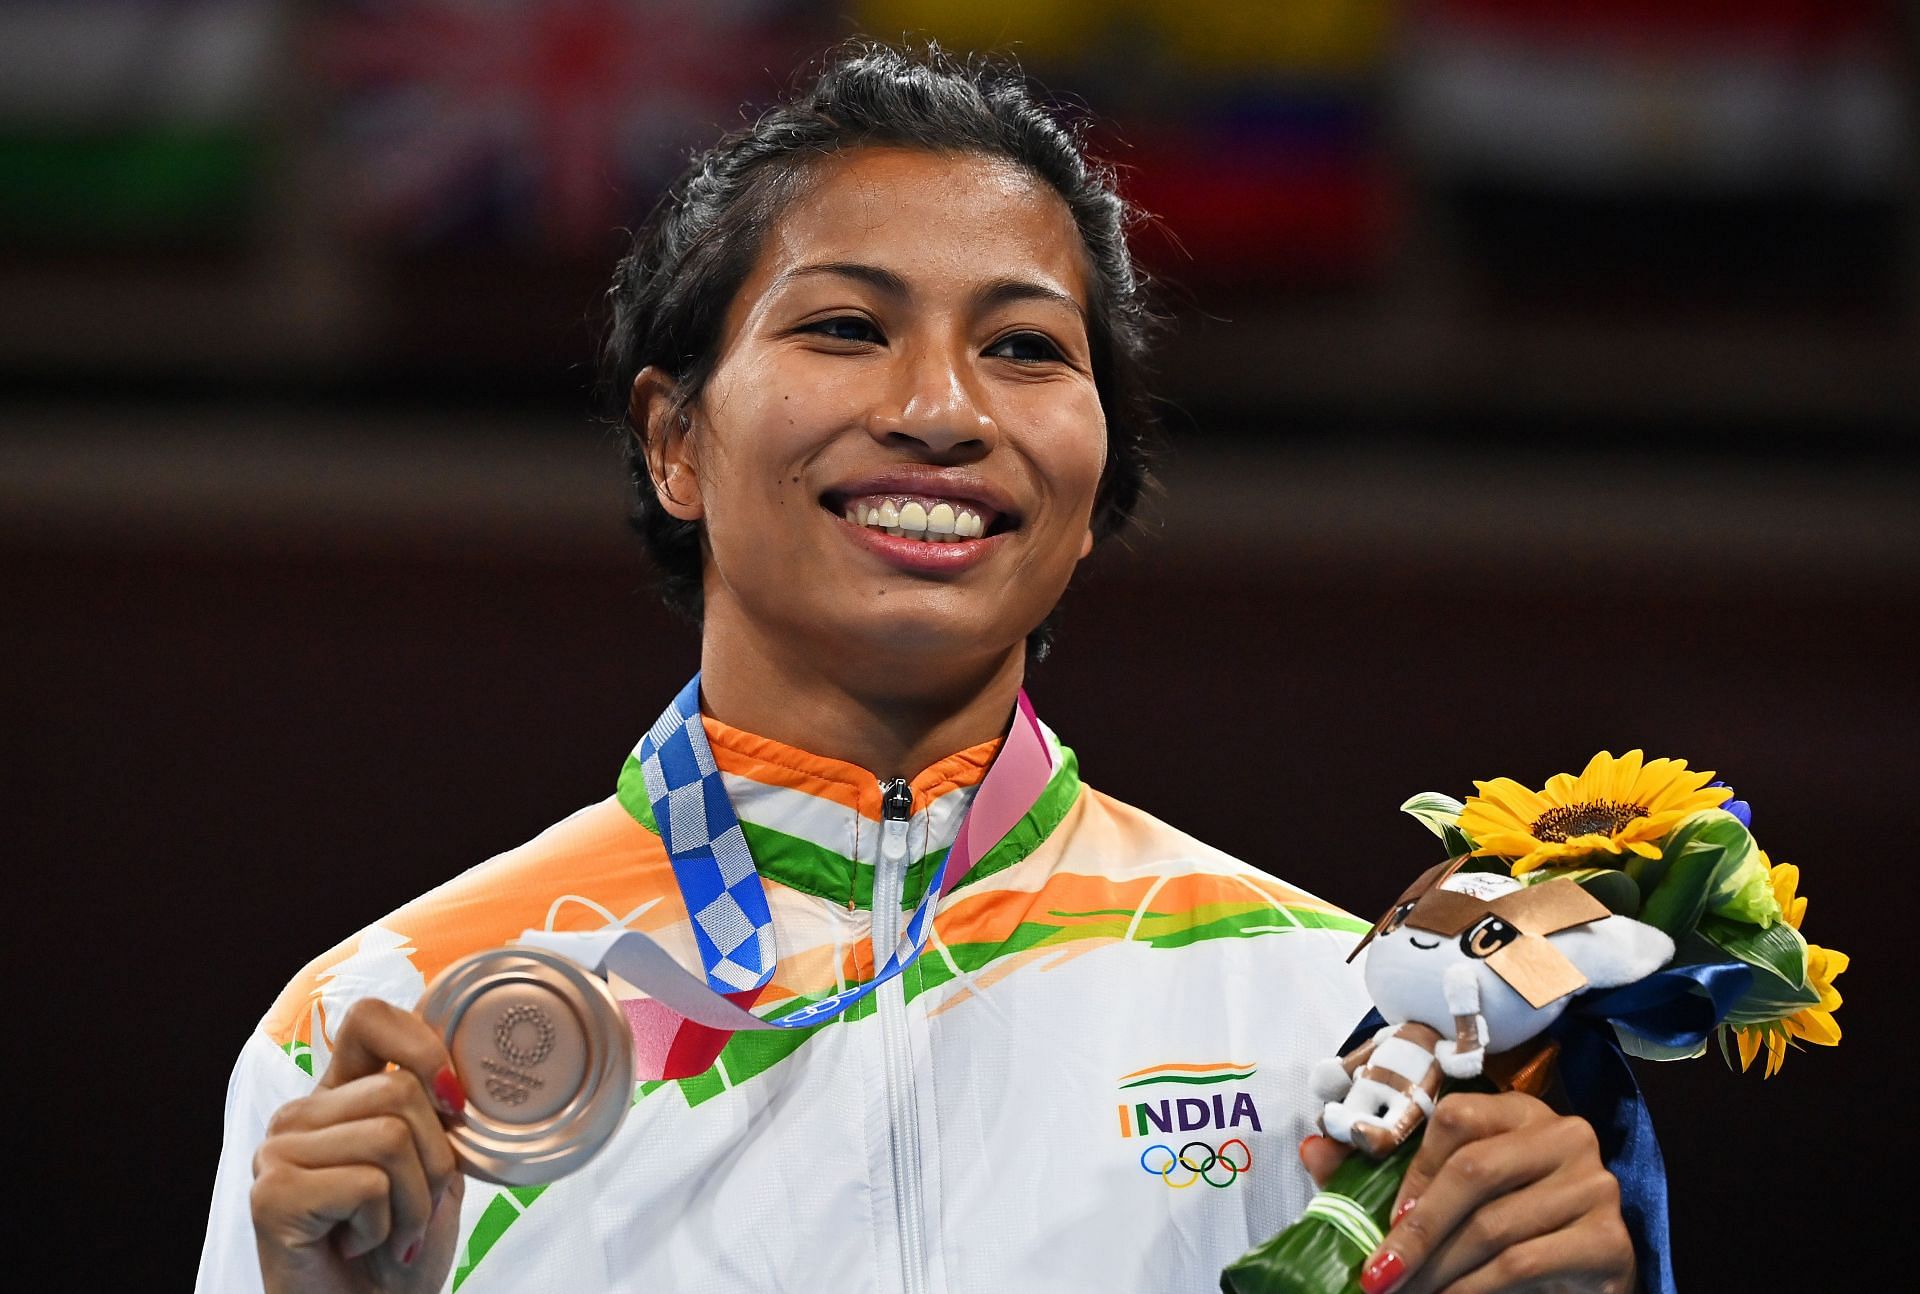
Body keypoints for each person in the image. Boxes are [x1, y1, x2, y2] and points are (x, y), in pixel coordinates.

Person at [198, 43, 1638, 1294]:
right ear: (674, 441)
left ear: (1093, 490)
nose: (941, 409)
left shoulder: (1326, 1019)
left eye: (1022, 346)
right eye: (844, 326)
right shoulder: (383, 1029)